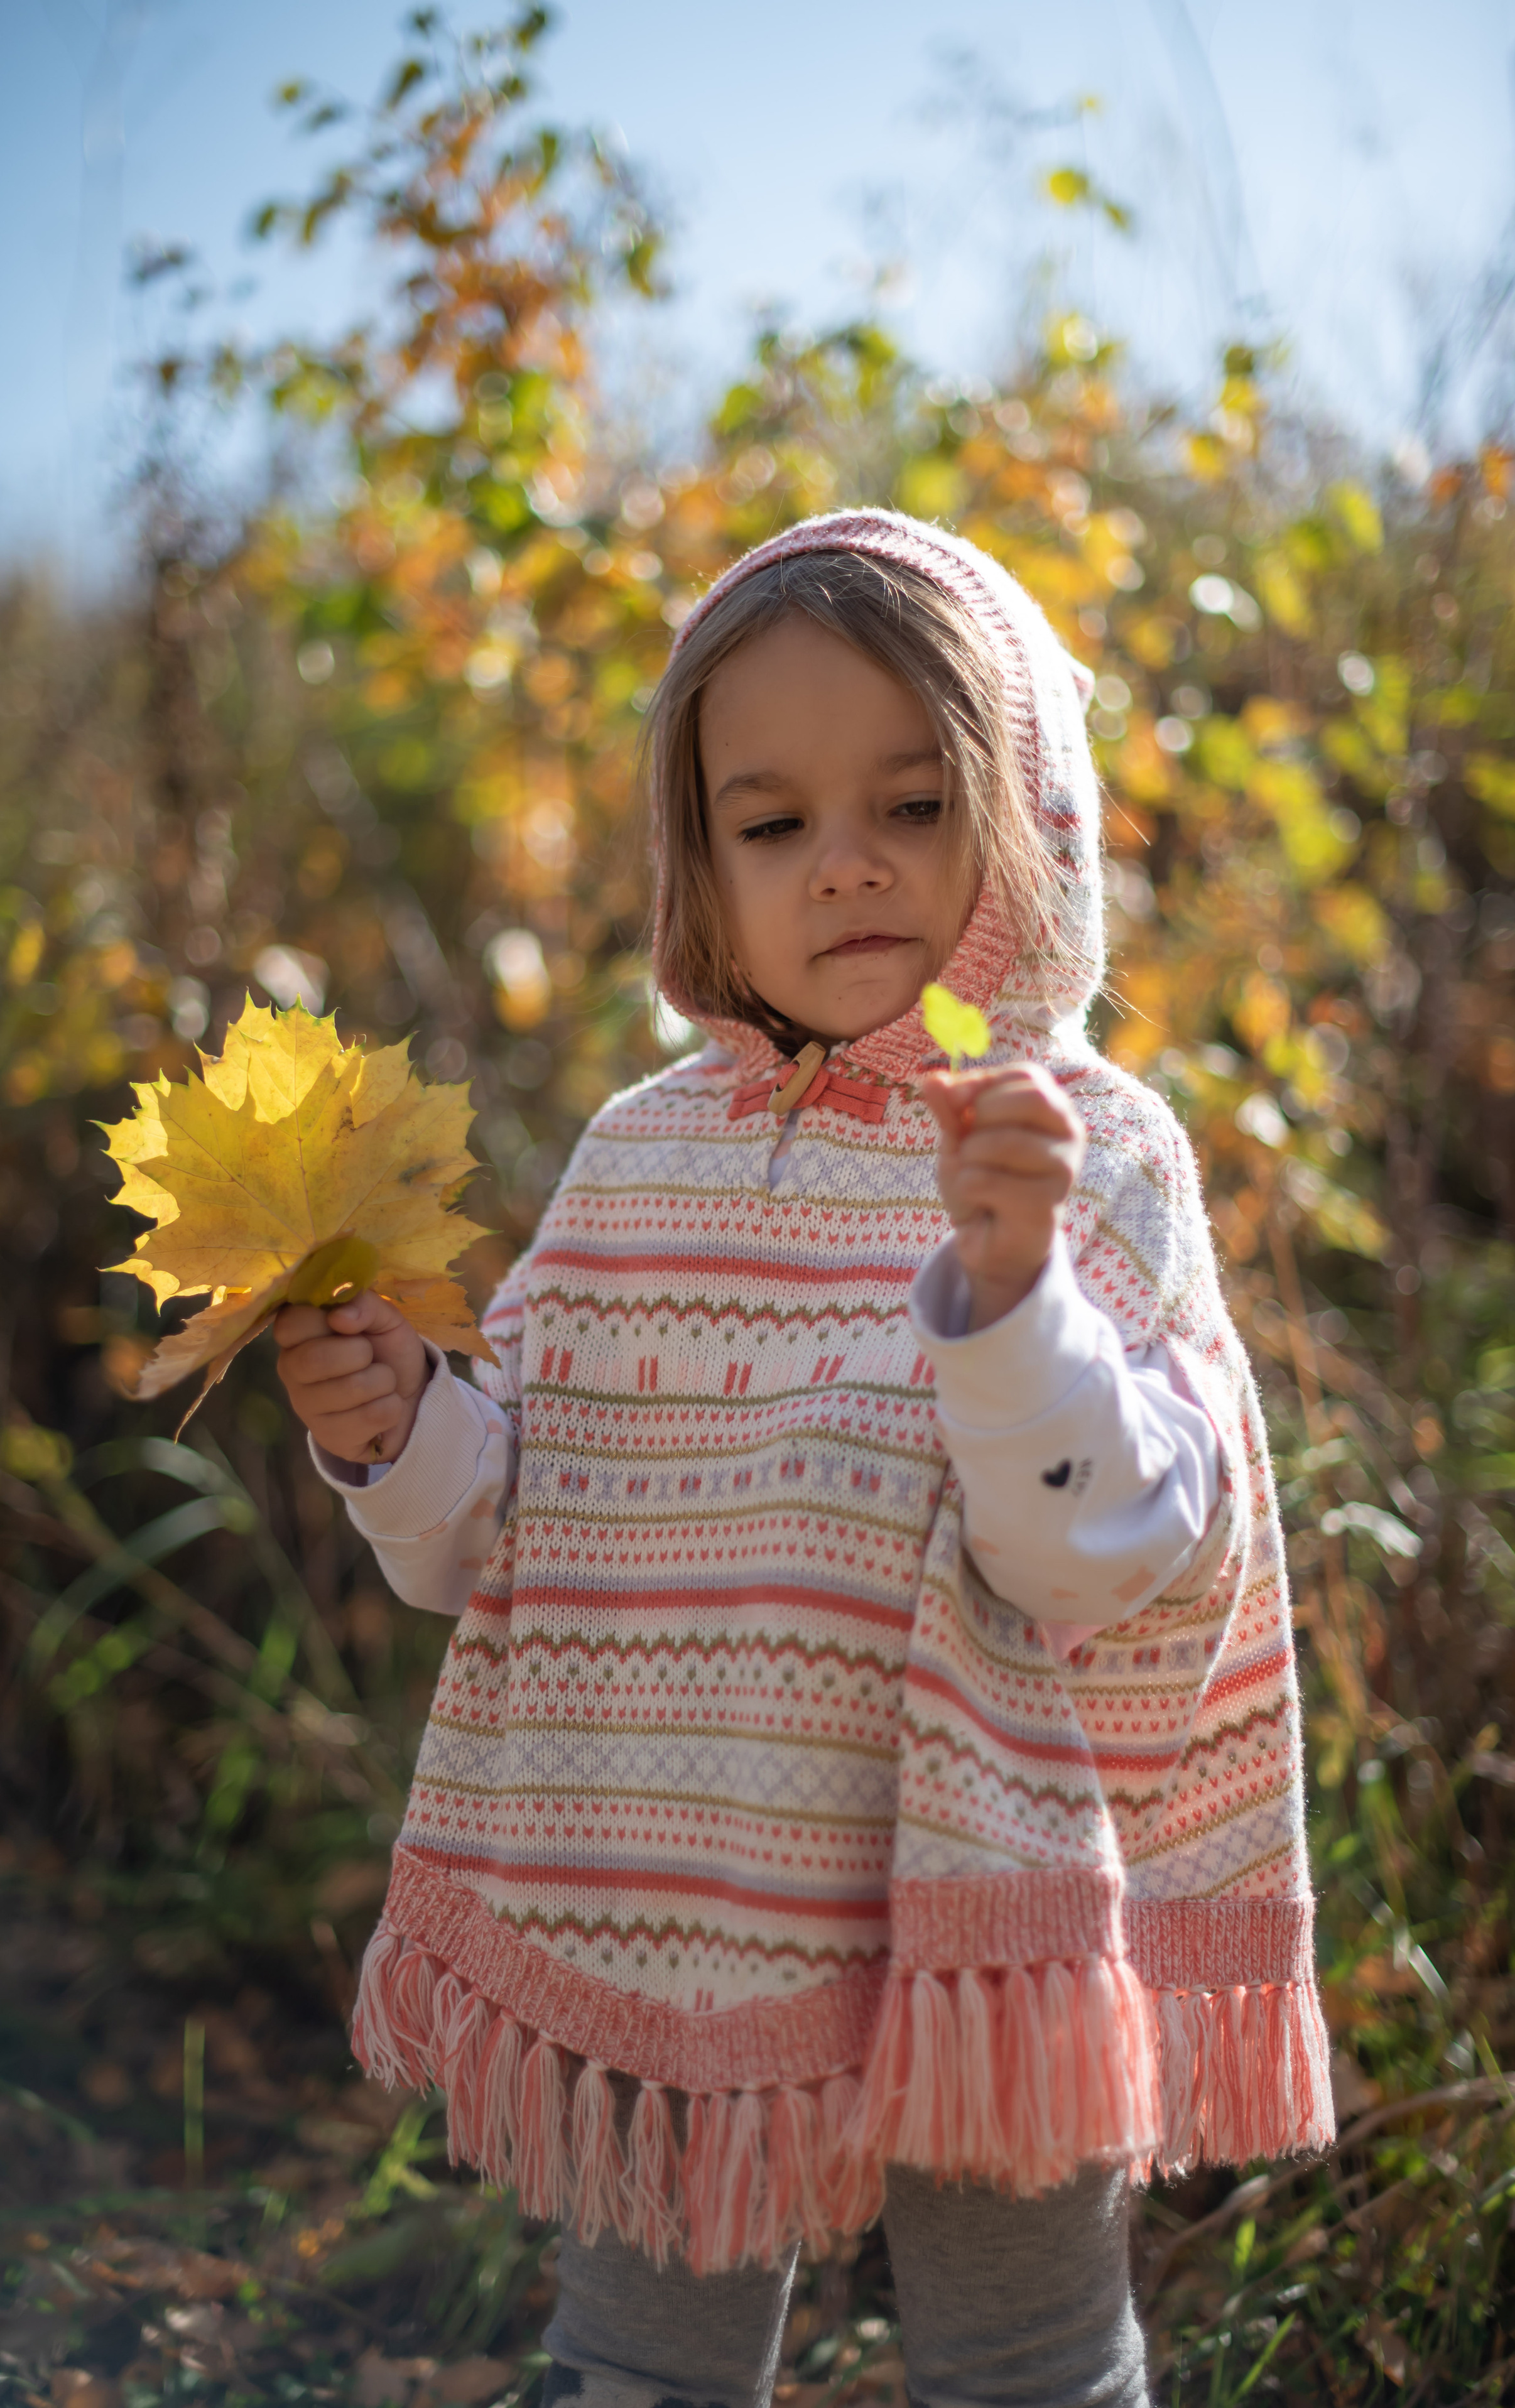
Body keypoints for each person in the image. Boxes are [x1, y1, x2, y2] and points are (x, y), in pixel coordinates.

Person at [275, 512, 1332, 2408]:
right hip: (672, 1875)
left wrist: (1011, 1302)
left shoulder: (1079, 1147)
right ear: (703, 865)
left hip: (981, 1899)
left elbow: (1119, 1556)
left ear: (1031, 817)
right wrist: (399, 1431)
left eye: (915, 804)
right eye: (771, 825)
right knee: (640, 2349)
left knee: (1027, 2354)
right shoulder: (646, 1159)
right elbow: (513, 1527)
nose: (843, 863)